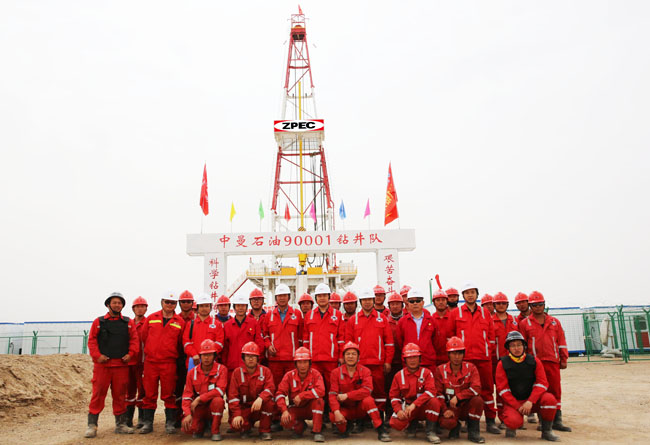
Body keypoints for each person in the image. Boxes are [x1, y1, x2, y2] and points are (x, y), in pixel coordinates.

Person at [85, 292, 140, 438]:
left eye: (119, 303)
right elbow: (92, 341)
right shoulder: (99, 322)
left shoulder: (128, 323)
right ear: (108, 304)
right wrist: (98, 356)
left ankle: (120, 424)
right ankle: (92, 425)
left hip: (121, 365)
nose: (117, 305)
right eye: (114, 302)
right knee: (98, 394)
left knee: (120, 395)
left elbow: (134, 340)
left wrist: (131, 354)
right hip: (103, 366)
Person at [448, 282, 499, 434]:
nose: (470, 295)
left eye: (472, 292)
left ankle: (490, 421)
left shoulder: (485, 313)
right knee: (465, 390)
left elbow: (491, 337)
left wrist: (487, 351)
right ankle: (466, 420)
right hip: (464, 360)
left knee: (487, 390)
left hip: (483, 358)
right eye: (467, 292)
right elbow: (451, 336)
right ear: (463, 295)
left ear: (477, 294)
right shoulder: (456, 313)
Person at [519, 291, 571, 432]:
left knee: (555, 390)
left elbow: (561, 341)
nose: (537, 307)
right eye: (534, 305)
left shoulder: (554, 322)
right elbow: (523, 345)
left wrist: (563, 358)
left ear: (544, 305)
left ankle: (557, 420)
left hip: (552, 362)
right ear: (530, 306)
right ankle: (544, 421)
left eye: (540, 304)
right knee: (539, 391)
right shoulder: (525, 324)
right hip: (535, 364)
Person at [495, 331, 560, 441]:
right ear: (508, 348)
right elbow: (502, 390)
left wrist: (530, 401)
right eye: (513, 346)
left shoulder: (534, 361)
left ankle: (547, 431)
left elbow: (542, 383)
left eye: (519, 345)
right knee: (513, 421)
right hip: (514, 402)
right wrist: (517, 406)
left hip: (532, 402)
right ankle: (511, 427)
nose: (516, 348)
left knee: (549, 400)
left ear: (524, 346)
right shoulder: (502, 364)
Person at [139, 291, 186, 434]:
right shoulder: (151, 318)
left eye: (173, 303)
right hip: (151, 363)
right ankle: (148, 423)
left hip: (169, 363)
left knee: (169, 394)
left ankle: (170, 423)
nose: (169, 305)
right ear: (162, 302)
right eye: (167, 302)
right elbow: (144, 336)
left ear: (176, 305)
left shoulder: (180, 322)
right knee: (149, 393)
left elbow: (180, 343)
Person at [345, 288, 394, 421]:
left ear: (373, 301)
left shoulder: (382, 319)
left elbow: (389, 343)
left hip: (377, 363)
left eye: (369, 300)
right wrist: (350, 363)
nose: (367, 302)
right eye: (364, 300)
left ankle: (380, 416)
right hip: (359, 365)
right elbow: (348, 344)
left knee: (379, 391)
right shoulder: (353, 320)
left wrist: (388, 361)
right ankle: (363, 419)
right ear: (360, 302)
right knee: (360, 391)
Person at [261, 283, 304, 431]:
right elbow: (265, 334)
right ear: (276, 298)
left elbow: (301, 336)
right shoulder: (269, 315)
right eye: (279, 296)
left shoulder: (296, 314)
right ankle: (276, 418)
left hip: (292, 360)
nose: (282, 298)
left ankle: (294, 418)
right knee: (275, 390)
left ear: (289, 297)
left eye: (284, 296)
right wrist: (268, 345)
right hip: (275, 360)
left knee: (294, 390)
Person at [329, 342, 391, 441]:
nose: (350, 356)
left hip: (360, 409)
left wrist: (348, 395)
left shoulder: (365, 371)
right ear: (343, 357)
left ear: (358, 357)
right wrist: (336, 411)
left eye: (354, 354)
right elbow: (332, 394)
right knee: (333, 416)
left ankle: (380, 429)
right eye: (348, 354)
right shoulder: (335, 373)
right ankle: (346, 426)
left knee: (368, 400)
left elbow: (367, 390)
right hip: (345, 409)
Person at [435, 337, 485, 444]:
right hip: (450, 408)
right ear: (448, 354)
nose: (457, 357)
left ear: (464, 354)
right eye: (453, 353)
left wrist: (459, 397)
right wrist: (445, 410)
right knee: (446, 423)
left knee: (478, 400)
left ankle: (473, 431)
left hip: (466, 406)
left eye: (460, 353)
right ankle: (455, 426)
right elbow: (438, 394)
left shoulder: (471, 368)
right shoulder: (440, 370)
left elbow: (476, 388)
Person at [389, 343, 442, 443]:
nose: (412, 360)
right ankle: (412, 424)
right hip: (408, 409)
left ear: (420, 358)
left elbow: (431, 391)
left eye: (415, 357)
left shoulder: (427, 373)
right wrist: (398, 410)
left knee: (434, 401)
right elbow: (394, 396)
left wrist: (414, 405)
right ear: (405, 360)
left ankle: (431, 431)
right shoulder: (398, 375)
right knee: (395, 423)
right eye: (409, 358)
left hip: (422, 407)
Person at [302, 283, 345, 401]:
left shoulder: (337, 315)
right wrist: (306, 357)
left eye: (324, 295)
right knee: (316, 387)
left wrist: (341, 356)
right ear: (316, 298)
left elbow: (341, 338)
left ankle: (331, 408)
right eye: (319, 296)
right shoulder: (309, 315)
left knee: (332, 387)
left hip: (331, 359)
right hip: (314, 359)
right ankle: (319, 409)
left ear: (329, 297)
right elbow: (306, 339)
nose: (322, 298)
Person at [181, 339, 228, 441]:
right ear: (200, 356)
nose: (206, 358)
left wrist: (199, 399)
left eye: (209, 355)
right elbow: (187, 395)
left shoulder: (222, 369)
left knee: (218, 401)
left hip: (212, 405)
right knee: (189, 429)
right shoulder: (192, 373)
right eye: (204, 355)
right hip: (199, 407)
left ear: (214, 355)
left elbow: (220, 390)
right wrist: (187, 414)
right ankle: (201, 426)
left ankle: (215, 431)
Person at [275, 347, 326, 442]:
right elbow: (279, 394)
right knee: (285, 422)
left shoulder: (316, 374)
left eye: (305, 362)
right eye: (299, 362)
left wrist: (302, 396)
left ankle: (317, 431)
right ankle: (300, 426)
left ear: (310, 363)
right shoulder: (289, 376)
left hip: (311, 408)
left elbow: (321, 391)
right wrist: (284, 410)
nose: (302, 365)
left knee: (319, 401)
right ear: (295, 364)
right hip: (296, 408)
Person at [227, 342, 275, 440]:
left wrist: (261, 398)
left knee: (269, 403)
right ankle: (246, 428)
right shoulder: (237, 373)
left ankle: (265, 430)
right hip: (244, 409)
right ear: (243, 358)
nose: (250, 359)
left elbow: (270, 388)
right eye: (248, 356)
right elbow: (232, 397)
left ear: (257, 358)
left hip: (259, 407)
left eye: (253, 356)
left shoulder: (265, 371)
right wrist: (237, 415)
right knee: (237, 426)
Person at [491, 292, 519, 427]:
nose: (501, 305)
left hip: (514, 361)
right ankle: (502, 417)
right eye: (498, 303)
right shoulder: (490, 321)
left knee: (514, 389)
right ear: (494, 305)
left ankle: (514, 415)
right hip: (497, 362)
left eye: (503, 303)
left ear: (507, 305)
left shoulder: (514, 320)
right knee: (500, 390)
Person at [222, 293, 265, 379]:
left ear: (246, 307)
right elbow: (225, 348)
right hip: (232, 367)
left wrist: (256, 362)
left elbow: (260, 344)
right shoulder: (227, 325)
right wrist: (225, 364)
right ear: (234, 307)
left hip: (250, 368)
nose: (240, 308)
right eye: (238, 306)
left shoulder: (254, 323)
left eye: (243, 306)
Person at [396, 289, 437, 371]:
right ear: (407, 304)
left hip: (428, 362)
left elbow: (436, 342)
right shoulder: (402, 322)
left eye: (418, 301)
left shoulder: (431, 321)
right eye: (412, 301)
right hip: (409, 362)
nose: (415, 303)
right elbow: (400, 342)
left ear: (423, 302)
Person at [183, 293, 224, 368]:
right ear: (198, 307)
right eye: (201, 306)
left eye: (206, 306)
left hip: (211, 363)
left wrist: (207, 355)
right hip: (194, 362)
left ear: (211, 307)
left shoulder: (217, 324)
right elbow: (186, 343)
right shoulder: (190, 324)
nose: (204, 308)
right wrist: (194, 354)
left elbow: (220, 343)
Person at [126, 296, 148, 429]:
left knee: (142, 390)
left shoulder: (148, 323)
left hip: (142, 362)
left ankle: (142, 418)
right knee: (129, 390)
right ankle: (128, 418)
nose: (140, 309)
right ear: (133, 309)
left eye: (142, 306)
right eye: (137, 306)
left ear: (146, 308)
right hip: (129, 362)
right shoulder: (128, 324)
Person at [385, 291, 404, 421]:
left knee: (405, 389)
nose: (395, 306)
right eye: (392, 304)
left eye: (398, 304)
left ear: (402, 305)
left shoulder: (407, 319)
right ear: (389, 306)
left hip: (405, 361)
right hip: (390, 362)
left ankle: (405, 415)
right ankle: (389, 414)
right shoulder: (385, 321)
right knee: (389, 389)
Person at [431, 289, 453, 367]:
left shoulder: (453, 317)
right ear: (434, 303)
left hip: (452, 359)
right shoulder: (430, 319)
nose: (441, 302)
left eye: (443, 300)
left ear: (447, 301)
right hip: (435, 359)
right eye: (438, 300)